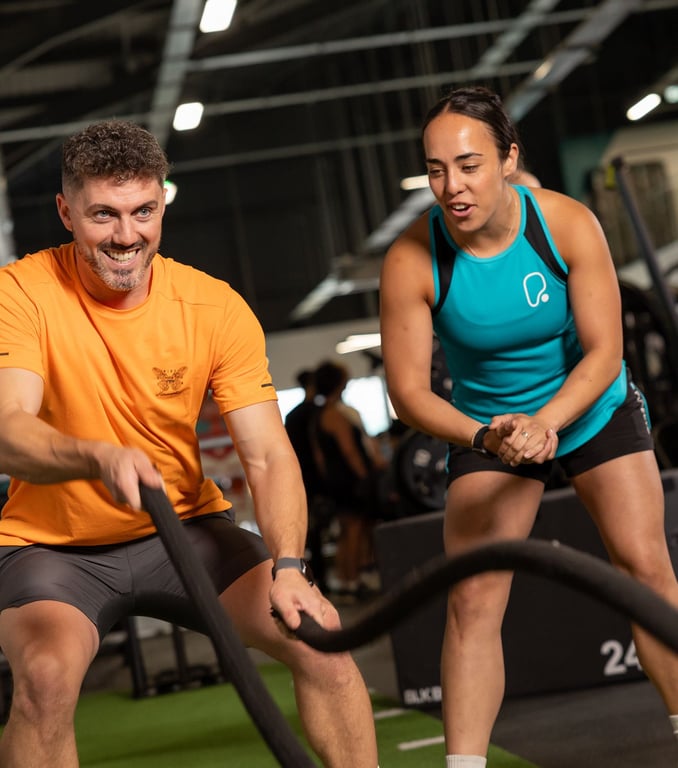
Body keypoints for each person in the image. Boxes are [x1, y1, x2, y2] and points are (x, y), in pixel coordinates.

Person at [0, 119, 379, 768]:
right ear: (66, 212)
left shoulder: (213, 306)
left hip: (187, 530)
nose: (127, 235)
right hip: (54, 547)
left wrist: (290, 567)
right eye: (104, 215)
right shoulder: (21, 293)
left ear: (162, 204)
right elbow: (9, 430)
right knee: (46, 680)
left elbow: (265, 453)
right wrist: (95, 455)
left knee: (323, 635)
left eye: (144, 211)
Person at [379, 85, 678, 767]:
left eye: (469, 164)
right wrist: (490, 437)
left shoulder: (566, 224)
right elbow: (406, 395)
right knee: (474, 601)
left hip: (589, 406)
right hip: (492, 430)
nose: (451, 185)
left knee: (645, 566)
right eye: (435, 169)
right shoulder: (410, 259)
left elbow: (606, 353)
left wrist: (547, 423)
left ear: (509, 158)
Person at [311, 361, 387, 601]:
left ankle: (346, 580)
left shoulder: (321, 415)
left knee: (348, 531)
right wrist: (365, 476)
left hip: (337, 481)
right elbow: (350, 451)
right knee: (354, 530)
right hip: (350, 481)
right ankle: (351, 581)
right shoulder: (336, 414)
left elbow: (319, 457)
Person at [284, 368, 331, 591]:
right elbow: (318, 450)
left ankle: (314, 579)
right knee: (321, 529)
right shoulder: (317, 412)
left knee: (308, 531)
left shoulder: (292, 415)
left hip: (299, 475)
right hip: (317, 477)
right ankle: (323, 581)